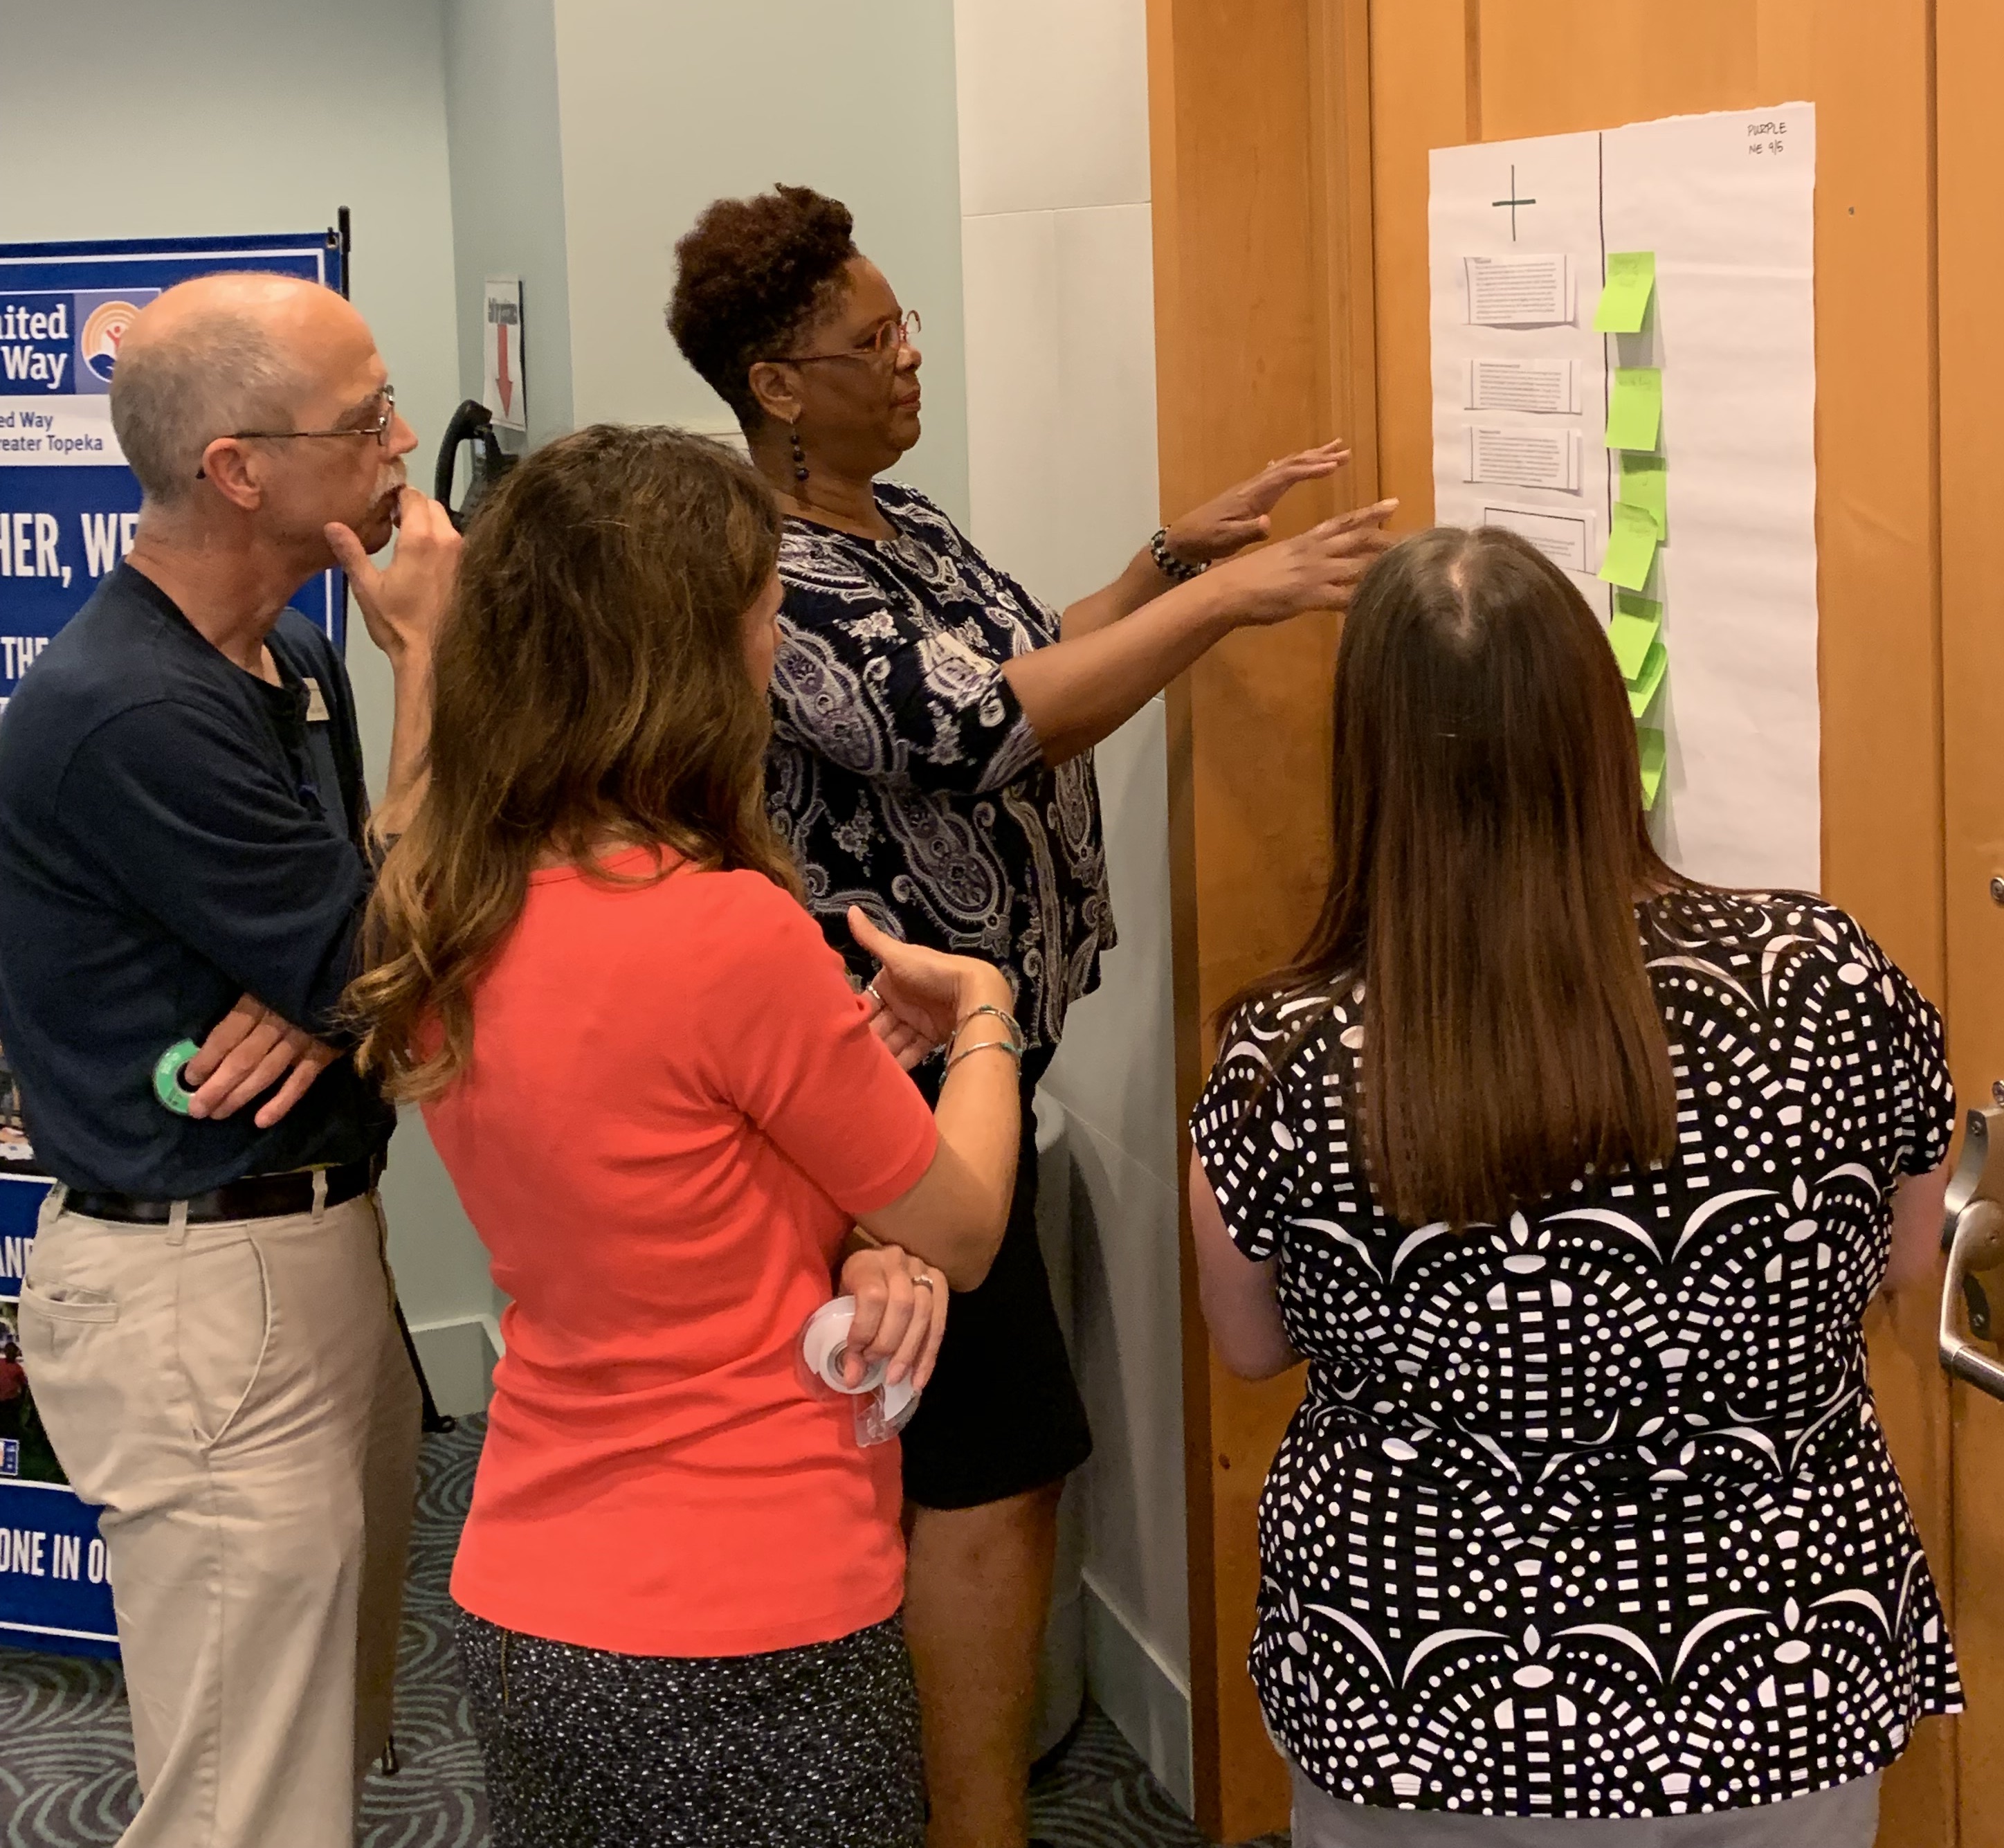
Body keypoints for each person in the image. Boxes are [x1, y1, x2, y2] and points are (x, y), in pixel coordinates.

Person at [667, 181, 1398, 1848]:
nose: (908, 358)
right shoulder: (766, 568)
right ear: (775, 387)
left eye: (903, 324)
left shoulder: (897, 519)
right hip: (887, 1086)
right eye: (871, 341)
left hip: (980, 1068)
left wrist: (1169, 563)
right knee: (988, 1467)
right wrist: (1226, 606)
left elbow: (1030, 648)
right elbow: (980, 729)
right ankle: (972, 1822)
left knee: (984, 1452)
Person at [1188, 526, 1959, 1845]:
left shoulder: (1290, 1050)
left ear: (1370, 766)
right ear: (1602, 731)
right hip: (1783, 1674)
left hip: (1420, 1692)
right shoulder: (1825, 970)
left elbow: (1251, 1342)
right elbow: (1907, 1258)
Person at [346, 424, 1028, 1848]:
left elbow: (668, 1170)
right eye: (765, 615)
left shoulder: (441, 897)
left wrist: (852, 1224)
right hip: (753, 1605)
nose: (777, 645)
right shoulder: (723, 933)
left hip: (528, 1595)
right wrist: (981, 1014)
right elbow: (964, 1227)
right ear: (686, 662)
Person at [0, 273, 458, 1848]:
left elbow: (374, 949)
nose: (403, 443)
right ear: (238, 470)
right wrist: (430, 669)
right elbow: (377, 949)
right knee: (242, 1802)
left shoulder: (294, 661)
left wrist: (338, 980)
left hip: (318, 1247)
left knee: (323, 1741)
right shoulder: (126, 706)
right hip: (200, 1290)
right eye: (366, 419)